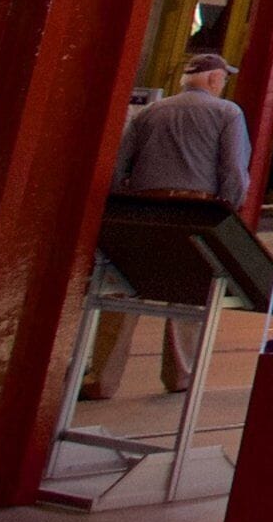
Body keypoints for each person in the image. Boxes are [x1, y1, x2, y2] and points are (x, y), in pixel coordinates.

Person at [83, 51, 255, 400]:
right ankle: (179, 374)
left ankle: (102, 377)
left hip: (144, 211)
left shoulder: (150, 112)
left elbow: (119, 166)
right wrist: (229, 209)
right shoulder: (227, 113)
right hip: (195, 213)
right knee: (187, 297)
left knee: (122, 293)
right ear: (213, 79)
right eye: (224, 78)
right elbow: (234, 171)